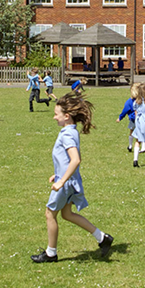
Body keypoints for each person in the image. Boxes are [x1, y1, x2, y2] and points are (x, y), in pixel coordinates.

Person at [31, 92, 113, 263]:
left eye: (56, 114)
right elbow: (66, 160)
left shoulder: (67, 134)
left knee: (49, 214)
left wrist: (61, 181)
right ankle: (102, 238)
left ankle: (51, 253)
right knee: (67, 214)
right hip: (68, 181)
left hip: (66, 184)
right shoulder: (70, 131)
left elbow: (75, 159)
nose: (54, 117)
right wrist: (57, 174)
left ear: (66, 116)